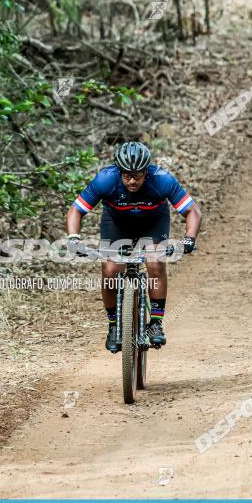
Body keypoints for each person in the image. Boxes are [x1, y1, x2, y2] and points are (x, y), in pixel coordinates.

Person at [64, 142, 202, 352]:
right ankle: (113, 325)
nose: (131, 180)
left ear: (147, 171)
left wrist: (189, 239)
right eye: (126, 175)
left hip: (153, 222)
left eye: (137, 175)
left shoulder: (162, 179)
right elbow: (76, 210)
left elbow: (193, 211)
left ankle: (155, 323)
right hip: (116, 224)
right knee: (110, 270)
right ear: (118, 171)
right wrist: (73, 238)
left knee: (154, 260)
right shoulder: (105, 179)